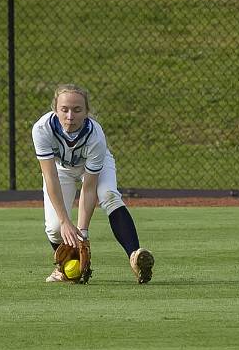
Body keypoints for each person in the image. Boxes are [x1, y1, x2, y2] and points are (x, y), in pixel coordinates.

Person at [31, 83, 155, 284]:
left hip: (94, 165)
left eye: (77, 110)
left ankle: (135, 256)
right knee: (54, 227)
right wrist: (64, 221)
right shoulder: (42, 129)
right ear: (55, 109)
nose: (70, 116)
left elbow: (89, 189)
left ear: (87, 112)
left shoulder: (95, 135)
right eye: (64, 110)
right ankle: (65, 267)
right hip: (60, 169)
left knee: (108, 195)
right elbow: (50, 176)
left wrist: (83, 233)